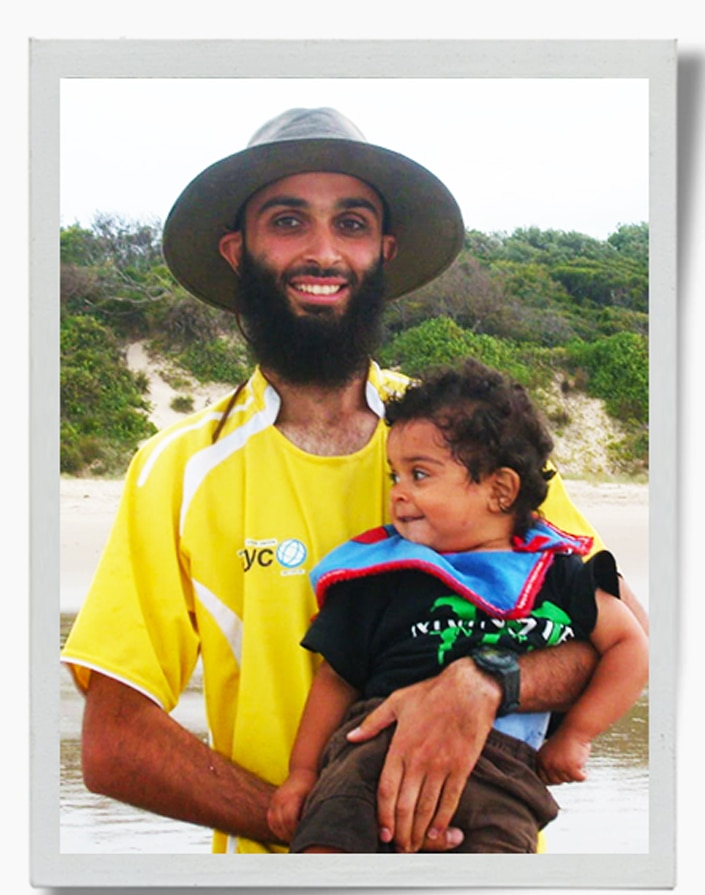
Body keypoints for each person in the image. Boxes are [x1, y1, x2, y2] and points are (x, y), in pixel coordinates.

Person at [61, 107, 648, 855]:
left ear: (384, 250)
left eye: (351, 223)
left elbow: (616, 635)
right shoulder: (177, 469)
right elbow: (115, 743)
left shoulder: (470, 435)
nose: (322, 251)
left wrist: (485, 683)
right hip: (286, 889)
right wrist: (327, 830)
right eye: (287, 221)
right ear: (238, 251)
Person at [267, 359, 649, 853]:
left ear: (500, 490)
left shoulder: (557, 572)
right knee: (325, 851)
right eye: (395, 476)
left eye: (419, 474)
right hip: (373, 751)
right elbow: (335, 678)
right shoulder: (384, 574)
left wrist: (577, 734)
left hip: (505, 776)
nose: (399, 492)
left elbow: (630, 645)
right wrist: (301, 775)